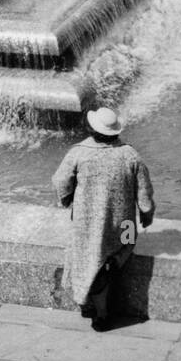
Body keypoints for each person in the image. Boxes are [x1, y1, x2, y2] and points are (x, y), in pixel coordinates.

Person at [52, 107, 155, 329]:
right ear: (115, 132)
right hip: (124, 225)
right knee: (127, 245)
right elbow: (145, 194)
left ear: (92, 128)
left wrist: (67, 199)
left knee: (87, 252)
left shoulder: (79, 153)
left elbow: (61, 182)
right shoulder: (130, 154)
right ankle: (112, 265)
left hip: (87, 224)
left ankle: (95, 303)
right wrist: (146, 215)